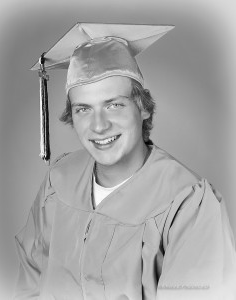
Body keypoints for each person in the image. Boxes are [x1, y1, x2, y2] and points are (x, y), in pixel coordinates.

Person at [14, 23, 236, 300]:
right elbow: (30, 281)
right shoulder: (58, 180)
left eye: (114, 104)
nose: (99, 125)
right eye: (83, 109)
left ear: (142, 107)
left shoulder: (187, 204)